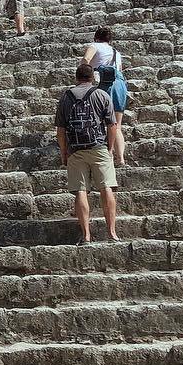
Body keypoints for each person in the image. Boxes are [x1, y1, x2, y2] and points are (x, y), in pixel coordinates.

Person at [55, 62, 118, 244]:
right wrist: (110, 148)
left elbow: (60, 130)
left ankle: (86, 235)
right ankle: (112, 233)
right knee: (106, 188)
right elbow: (112, 125)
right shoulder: (101, 95)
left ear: (76, 78)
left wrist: (64, 151)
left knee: (81, 191)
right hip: (98, 147)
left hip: (76, 149)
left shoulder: (66, 98)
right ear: (92, 78)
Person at [84, 26, 128, 166]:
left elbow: (86, 59)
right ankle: (120, 158)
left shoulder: (94, 46)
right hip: (119, 85)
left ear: (96, 37)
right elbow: (119, 70)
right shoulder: (116, 52)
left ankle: (107, 155)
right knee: (116, 124)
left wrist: (84, 75)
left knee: (99, 121)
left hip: (102, 85)